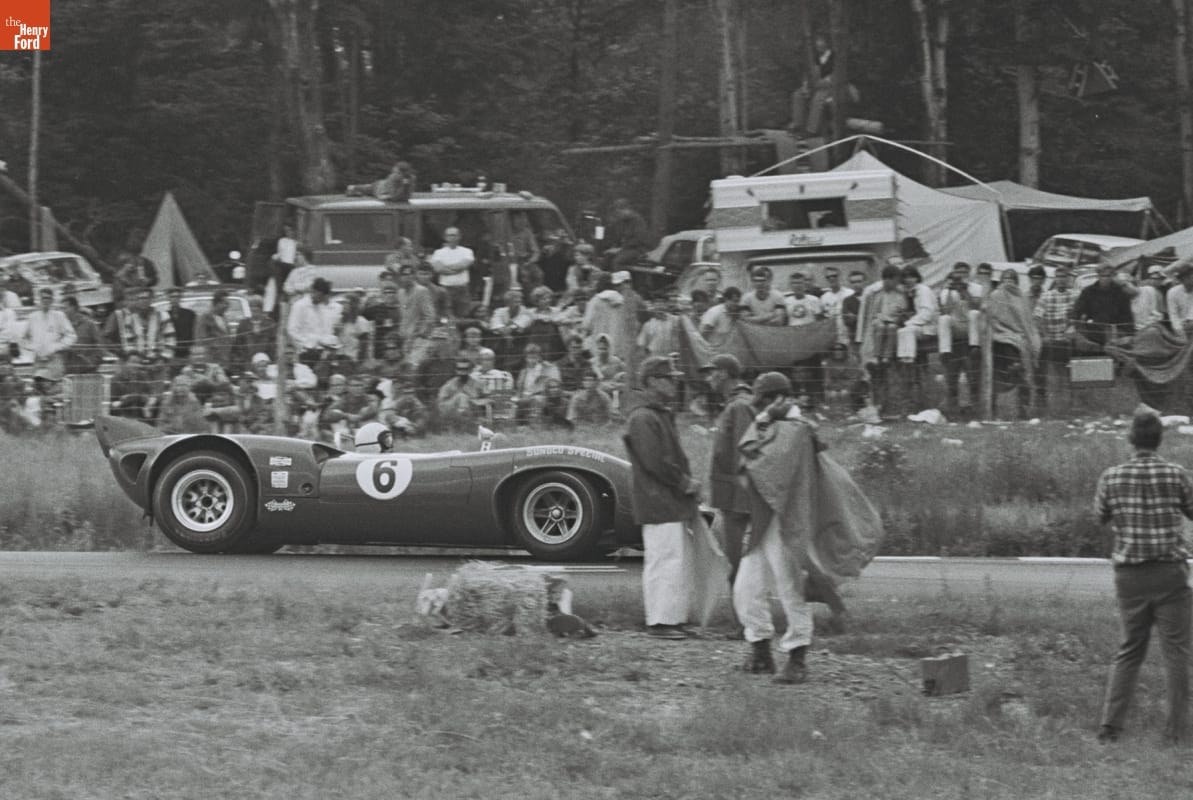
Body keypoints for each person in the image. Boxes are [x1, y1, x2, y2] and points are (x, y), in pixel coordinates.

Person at [1096, 409, 1193, 744]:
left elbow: (1100, 516)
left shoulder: (1111, 477)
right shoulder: (1176, 475)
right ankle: (1176, 731)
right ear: (1160, 439)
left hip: (1130, 576)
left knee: (1130, 649)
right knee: (1176, 652)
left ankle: (1110, 727)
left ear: (1131, 438)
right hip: (1169, 573)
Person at [734, 371, 817, 682]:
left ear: (780, 398)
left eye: (764, 402)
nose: (759, 408)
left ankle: (797, 658)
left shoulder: (797, 430)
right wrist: (764, 420)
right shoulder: (774, 426)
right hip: (763, 520)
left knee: (790, 588)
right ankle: (760, 651)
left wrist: (763, 420)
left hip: (787, 520)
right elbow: (748, 459)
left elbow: (757, 463)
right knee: (746, 589)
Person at [623, 356, 703, 639]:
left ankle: (673, 619)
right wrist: (684, 482)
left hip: (667, 500)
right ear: (653, 381)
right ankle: (659, 622)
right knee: (663, 560)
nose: (674, 383)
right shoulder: (643, 417)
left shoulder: (656, 414)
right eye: (669, 378)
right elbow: (653, 461)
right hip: (657, 500)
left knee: (676, 561)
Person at [1033, 265, 1077, 415]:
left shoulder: (1075, 295)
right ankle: (1052, 406)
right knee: (1052, 374)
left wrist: (1073, 328)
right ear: (1055, 279)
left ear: (1068, 278)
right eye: (1058, 277)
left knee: (1070, 374)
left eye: (1064, 277)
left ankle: (1070, 405)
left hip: (1068, 341)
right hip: (1051, 340)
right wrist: (1045, 335)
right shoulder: (1046, 296)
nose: (1061, 280)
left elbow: (1079, 316)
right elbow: (1037, 318)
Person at [1072, 263, 1137, 348]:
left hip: (1116, 332)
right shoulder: (1088, 292)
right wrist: (1078, 328)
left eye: (1108, 276)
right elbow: (1077, 312)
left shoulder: (1120, 292)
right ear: (1098, 276)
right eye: (1103, 276)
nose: (1105, 278)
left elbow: (1127, 315)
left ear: (1112, 276)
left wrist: (1130, 334)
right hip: (1094, 332)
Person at [21, 288, 77, 380]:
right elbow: (23, 338)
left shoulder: (59, 316)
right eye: (43, 298)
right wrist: (33, 347)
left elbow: (71, 336)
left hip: (54, 359)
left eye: (48, 298)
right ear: (39, 299)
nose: (46, 300)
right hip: (38, 359)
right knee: (38, 383)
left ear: (52, 300)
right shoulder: (32, 317)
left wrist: (57, 347)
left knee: (53, 384)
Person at [429, 226, 475, 318]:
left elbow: (464, 265)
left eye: (454, 235)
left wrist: (446, 267)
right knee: (446, 315)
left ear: (459, 237)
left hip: (462, 289)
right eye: (449, 235)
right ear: (445, 237)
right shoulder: (438, 252)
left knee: (463, 315)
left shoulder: (467, 251)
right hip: (445, 289)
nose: (452, 238)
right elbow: (438, 269)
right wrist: (457, 269)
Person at [699, 286, 742, 350]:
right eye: (734, 301)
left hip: (725, 350)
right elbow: (702, 335)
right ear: (726, 299)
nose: (736, 304)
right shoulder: (715, 312)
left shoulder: (735, 313)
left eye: (738, 301)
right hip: (711, 350)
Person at [164, 286, 198, 363]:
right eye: (172, 297)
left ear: (180, 298)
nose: (174, 299)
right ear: (168, 298)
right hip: (170, 353)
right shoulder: (165, 315)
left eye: (177, 296)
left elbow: (194, 332)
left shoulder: (190, 314)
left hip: (187, 352)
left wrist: (193, 348)